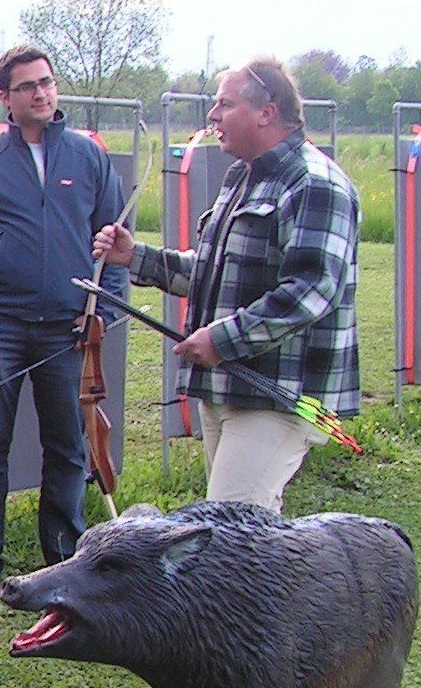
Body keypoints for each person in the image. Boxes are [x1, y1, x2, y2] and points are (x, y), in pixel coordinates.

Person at [94, 58, 360, 511]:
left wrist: (222, 339)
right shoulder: (242, 176)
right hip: (226, 388)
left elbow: (311, 290)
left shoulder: (316, 184)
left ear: (266, 112)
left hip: (278, 395)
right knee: (244, 530)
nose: (212, 116)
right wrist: (136, 257)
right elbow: (214, 271)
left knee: (232, 528)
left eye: (225, 104)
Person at [0, 44, 125, 590]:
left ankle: (63, 556)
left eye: (46, 82)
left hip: (68, 329)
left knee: (67, 443)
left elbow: (116, 242)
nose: (40, 93)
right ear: (6, 98)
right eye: (27, 87)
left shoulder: (89, 158)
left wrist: (104, 309)